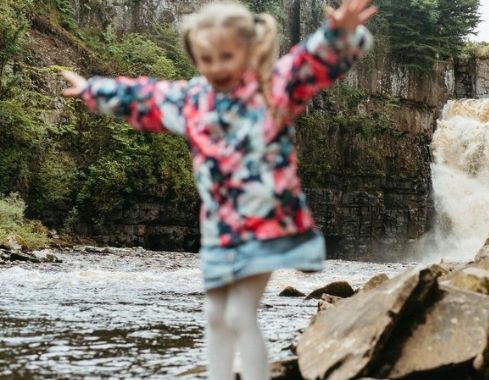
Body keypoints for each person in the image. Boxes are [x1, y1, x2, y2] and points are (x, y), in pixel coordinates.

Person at [61, 0, 376, 378]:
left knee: (240, 314)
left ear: (248, 51)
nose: (216, 67)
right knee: (214, 315)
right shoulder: (195, 100)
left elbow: (312, 60)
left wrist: (341, 33)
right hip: (220, 230)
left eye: (226, 56)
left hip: (266, 223)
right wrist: (90, 89)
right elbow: (145, 96)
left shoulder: (272, 88)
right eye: (206, 59)